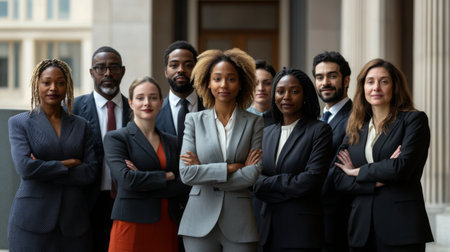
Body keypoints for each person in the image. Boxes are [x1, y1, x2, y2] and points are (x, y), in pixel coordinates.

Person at [333, 58, 433, 252]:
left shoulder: (413, 120)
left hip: (401, 227)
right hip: (361, 228)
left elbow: (401, 168)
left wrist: (356, 172)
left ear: (395, 86)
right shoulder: (356, 127)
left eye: (384, 81)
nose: (376, 87)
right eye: (370, 81)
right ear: (362, 87)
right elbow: (338, 177)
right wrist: (379, 177)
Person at [178, 48, 263, 252]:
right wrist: (231, 168)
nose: (223, 85)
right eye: (217, 79)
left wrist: (206, 173)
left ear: (241, 83)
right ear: (208, 82)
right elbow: (187, 173)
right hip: (198, 222)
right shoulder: (193, 121)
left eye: (231, 79)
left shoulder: (254, 122)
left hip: (240, 222)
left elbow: (253, 173)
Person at [7, 59, 97, 251]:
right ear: (36, 85)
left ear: (68, 86)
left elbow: (90, 172)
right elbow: (25, 168)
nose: (53, 88)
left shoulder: (82, 125)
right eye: (46, 82)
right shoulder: (19, 123)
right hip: (31, 222)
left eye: (60, 82)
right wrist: (69, 163)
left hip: (74, 223)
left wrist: (42, 167)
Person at [104, 77, 190, 252]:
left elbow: (184, 184)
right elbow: (127, 181)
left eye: (152, 97)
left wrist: (141, 179)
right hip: (131, 223)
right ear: (131, 103)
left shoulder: (173, 142)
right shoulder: (116, 138)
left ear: (161, 102)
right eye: (140, 98)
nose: (147, 103)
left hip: (167, 222)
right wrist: (167, 176)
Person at [254, 68, 332, 251]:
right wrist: (288, 184)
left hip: (300, 232)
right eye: (280, 91)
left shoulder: (319, 131)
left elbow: (310, 181)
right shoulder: (266, 132)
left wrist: (267, 183)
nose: (286, 97)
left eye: (294, 91)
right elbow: (253, 180)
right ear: (274, 95)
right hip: (268, 230)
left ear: (305, 95)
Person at [72, 46, 131, 252]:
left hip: (127, 200)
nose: (107, 73)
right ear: (91, 72)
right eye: (100, 68)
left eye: (113, 67)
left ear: (122, 71)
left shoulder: (136, 109)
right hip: (86, 202)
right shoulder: (73, 110)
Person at [312, 51, 352, 252]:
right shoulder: (316, 120)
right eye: (320, 77)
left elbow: (338, 167)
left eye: (332, 76)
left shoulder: (357, 118)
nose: (325, 82)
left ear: (346, 80)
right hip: (315, 221)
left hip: (340, 221)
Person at [156, 40, 204, 148]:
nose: (181, 70)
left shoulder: (212, 108)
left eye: (188, 65)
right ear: (165, 71)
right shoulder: (154, 112)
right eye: (174, 65)